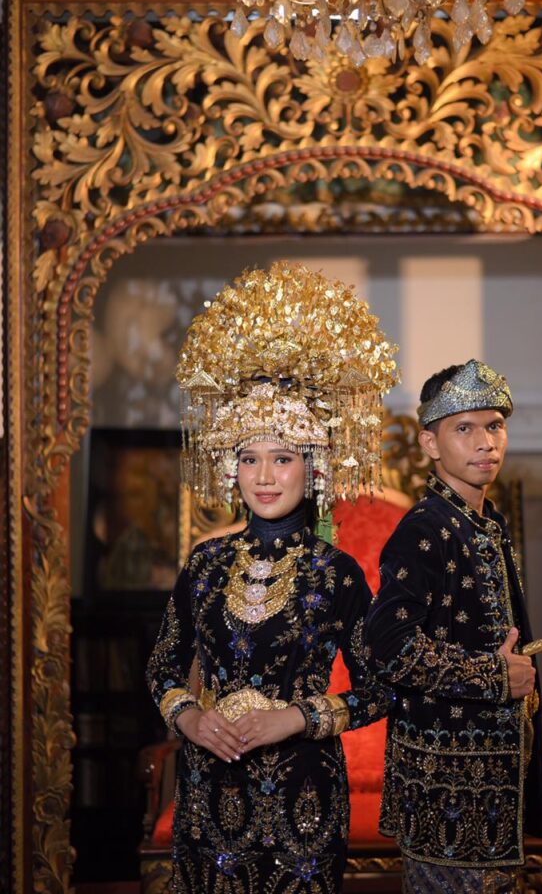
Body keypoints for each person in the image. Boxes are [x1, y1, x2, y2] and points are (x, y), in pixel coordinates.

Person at [146, 261, 398, 894]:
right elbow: (162, 669)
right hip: (207, 790)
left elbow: (379, 689)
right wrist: (189, 719)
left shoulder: (336, 573)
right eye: (249, 458)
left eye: (282, 458)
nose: (263, 476)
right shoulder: (205, 564)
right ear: (230, 468)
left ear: (312, 469)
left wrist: (296, 719)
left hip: (305, 796)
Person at [364, 359, 542, 894]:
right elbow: (389, 647)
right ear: (430, 442)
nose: (485, 442)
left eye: (495, 425)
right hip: (444, 778)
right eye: (464, 428)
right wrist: (495, 676)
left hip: (494, 771)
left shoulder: (486, 523)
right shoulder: (424, 528)